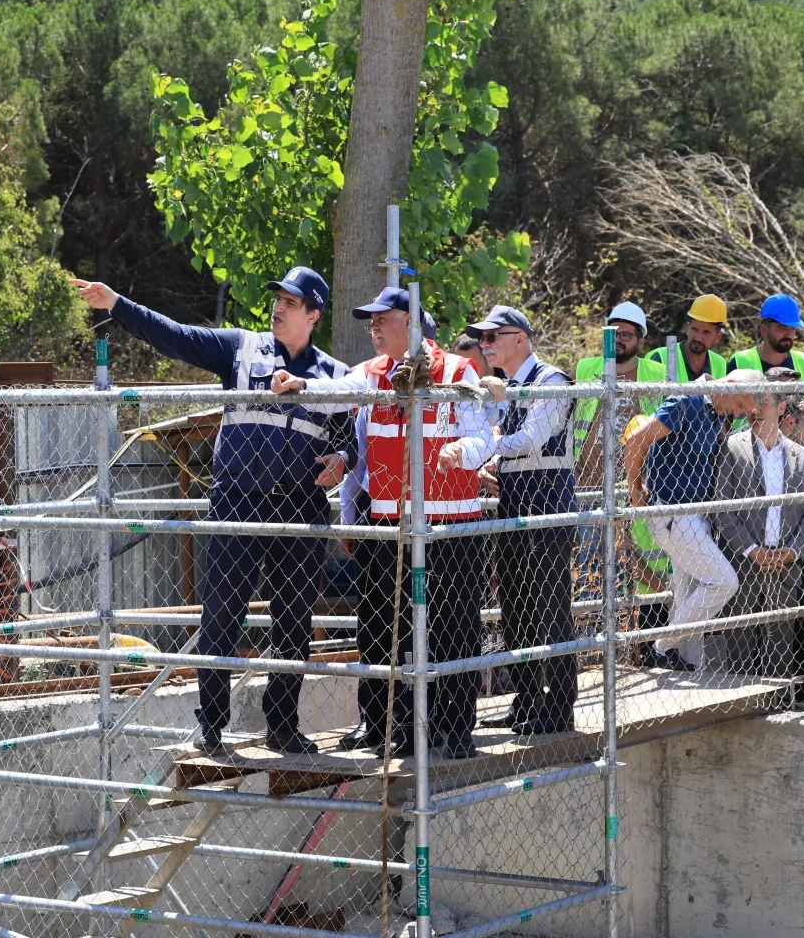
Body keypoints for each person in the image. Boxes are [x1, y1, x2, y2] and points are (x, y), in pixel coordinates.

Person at [71, 269, 354, 754]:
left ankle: (283, 726)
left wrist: (342, 461)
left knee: (294, 621)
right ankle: (212, 725)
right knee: (221, 614)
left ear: (313, 314)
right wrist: (117, 304)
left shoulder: (337, 375)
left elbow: (352, 440)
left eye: (292, 301)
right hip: (238, 501)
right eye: (278, 299)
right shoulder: (241, 348)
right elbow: (176, 337)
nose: (279, 307)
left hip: (302, 507)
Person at [280, 287, 492, 760]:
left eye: (382, 319)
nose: (372, 327)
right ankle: (382, 726)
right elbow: (338, 392)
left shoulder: (458, 371)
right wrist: (302, 386)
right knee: (378, 625)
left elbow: (482, 435)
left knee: (452, 626)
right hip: (387, 522)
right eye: (369, 320)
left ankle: (453, 728)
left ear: (411, 321)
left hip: (448, 523)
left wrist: (463, 454)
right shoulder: (369, 375)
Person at [468, 305, 578, 735]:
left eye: (493, 337)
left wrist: (490, 442)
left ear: (521, 339)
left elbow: (532, 439)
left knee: (550, 606)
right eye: (483, 339)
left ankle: (559, 706)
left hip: (548, 501)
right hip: (516, 499)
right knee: (516, 608)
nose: (485, 345)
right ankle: (528, 700)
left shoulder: (551, 381)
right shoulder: (507, 385)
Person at [622, 368, 764, 670]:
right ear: (727, 386)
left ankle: (675, 660)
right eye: (740, 406)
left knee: (687, 591)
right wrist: (635, 489)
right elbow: (636, 440)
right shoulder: (686, 401)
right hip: (674, 512)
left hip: (695, 515)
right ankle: (661, 646)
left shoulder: (715, 409)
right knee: (725, 583)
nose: (738, 414)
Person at [571, 303, 671, 636]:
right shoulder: (587, 367)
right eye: (613, 333)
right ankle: (591, 642)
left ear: (640, 340)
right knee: (589, 570)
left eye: (626, 334)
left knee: (638, 562)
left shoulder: (655, 373)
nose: (619, 341)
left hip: (638, 485)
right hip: (589, 485)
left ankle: (640, 639)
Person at [711, 374, 804, 678]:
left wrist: (792, 552)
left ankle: (778, 703)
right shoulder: (732, 448)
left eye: (763, 403)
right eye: (752, 403)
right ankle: (740, 706)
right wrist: (751, 550)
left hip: (786, 566)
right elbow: (722, 509)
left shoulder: (803, 458)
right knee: (740, 643)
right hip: (744, 562)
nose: (754, 410)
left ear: (781, 407)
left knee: (779, 646)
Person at [643, 295, 730, 381]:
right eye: (695, 329)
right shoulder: (660, 357)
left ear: (717, 337)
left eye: (706, 332)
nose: (698, 338)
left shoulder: (719, 364)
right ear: (687, 328)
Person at [731, 294, 804, 382]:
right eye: (782, 328)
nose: (789, 334)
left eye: (793, 328)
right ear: (764, 329)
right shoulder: (740, 361)